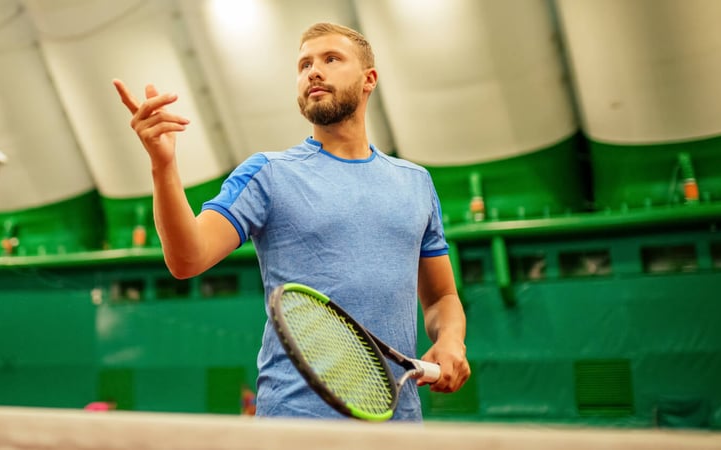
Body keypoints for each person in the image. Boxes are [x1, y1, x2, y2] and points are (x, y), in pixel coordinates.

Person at [112, 22, 470, 421]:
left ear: (369, 79)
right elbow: (187, 259)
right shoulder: (267, 174)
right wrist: (163, 166)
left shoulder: (416, 183)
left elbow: (442, 298)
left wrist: (452, 340)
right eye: (304, 65)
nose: (313, 71)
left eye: (331, 59)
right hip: (296, 423)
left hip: (399, 424)